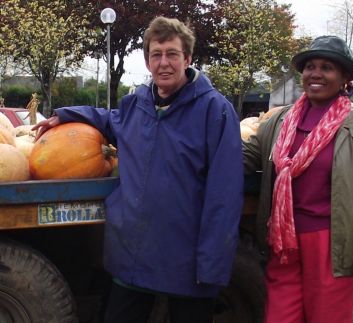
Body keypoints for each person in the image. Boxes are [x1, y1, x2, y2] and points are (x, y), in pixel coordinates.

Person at [33, 16, 243, 323]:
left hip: (186, 261)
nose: (164, 63)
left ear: (187, 58)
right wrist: (63, 114)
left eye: (172, 54)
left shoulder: (215, 110)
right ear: (147, 62)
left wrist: (211, 265)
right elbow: (107, 119)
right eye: (156, 55)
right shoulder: (137, 105)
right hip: (134, 255)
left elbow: (224, 195)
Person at [243, 35, 353, 323]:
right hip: (282, 242)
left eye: (327, 67)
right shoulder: (279, 121)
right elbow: (246, 156)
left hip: (331, 246)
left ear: (344, 77)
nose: (316, 74)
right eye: (310, 66)